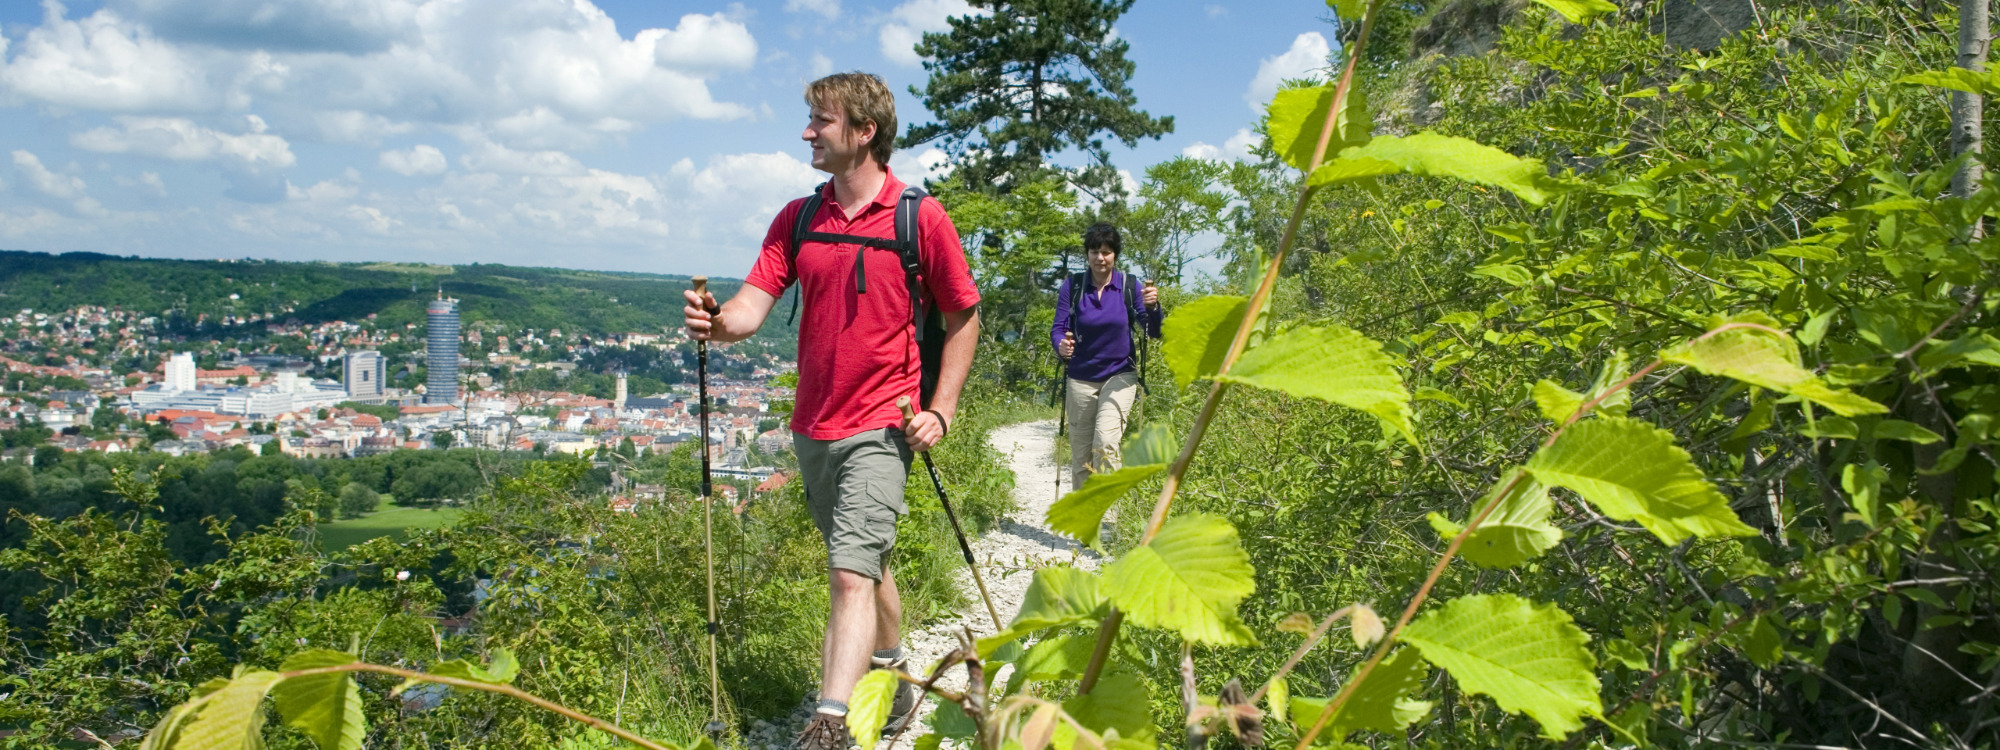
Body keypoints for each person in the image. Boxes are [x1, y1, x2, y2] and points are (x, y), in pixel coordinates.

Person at [683, 72, 980, 750]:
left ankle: (830, 723)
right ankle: (892, 668)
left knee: (848, 572)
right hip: (811, 426)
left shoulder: (918, 218)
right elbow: (750, 310)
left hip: (883, 423)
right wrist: (714, 321)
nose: (808, 132)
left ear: (864, 132)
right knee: (863, 561)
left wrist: (943, 408)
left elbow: (963, 315)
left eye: (821, 120)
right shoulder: (798, 218)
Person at [1051, 223, 1161, 491]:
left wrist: (1153, 307)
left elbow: (1153, 331)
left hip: (1120, 375)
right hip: (1080, 376)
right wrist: (1061, 346)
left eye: (1107, 252)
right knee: (1081, 456)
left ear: (1115, 255)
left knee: (1105, 442)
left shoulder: (1130, 286)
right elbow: (1058, 329)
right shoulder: (1073, 286)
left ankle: (1109, 523)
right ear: (1087, 254)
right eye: (1094, 251)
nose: (1100, 258)